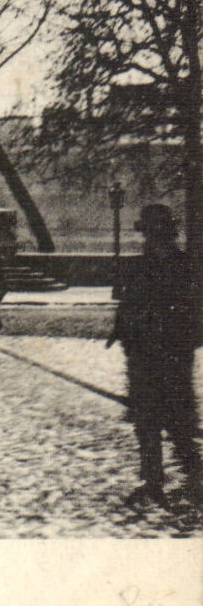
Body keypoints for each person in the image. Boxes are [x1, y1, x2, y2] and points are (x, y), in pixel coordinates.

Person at [109, 203, 201, 509]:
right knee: (147, 423)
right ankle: (153, 481)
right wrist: (124, 334)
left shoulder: (186, 266)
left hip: (173, 355)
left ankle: (195, 476)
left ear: (168, 233)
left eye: (158, 232)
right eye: (150, 233)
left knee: (179, 422)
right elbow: (127, 307)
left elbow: (197, 311)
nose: (153, 239)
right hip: (144, 357)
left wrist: (185, 339)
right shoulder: (140, 266)